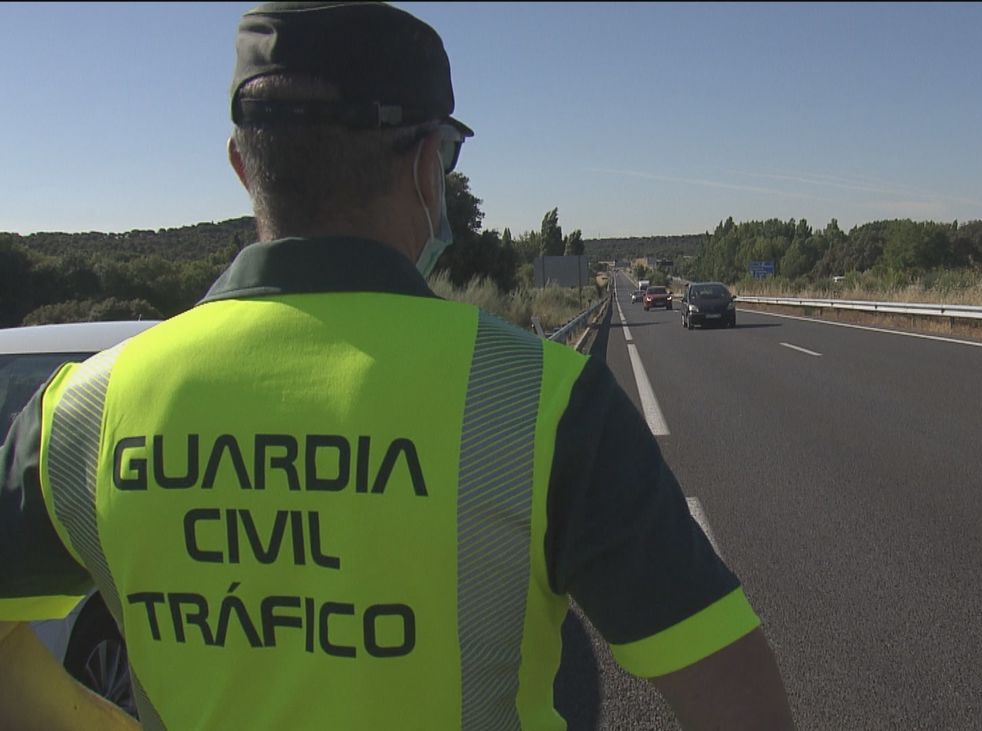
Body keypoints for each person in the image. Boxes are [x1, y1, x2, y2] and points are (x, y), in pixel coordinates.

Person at [0, 2, 794, 730]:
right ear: (425, 169)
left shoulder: (78, 415)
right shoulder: (540, 403)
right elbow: (735, 697)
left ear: (244, 167)